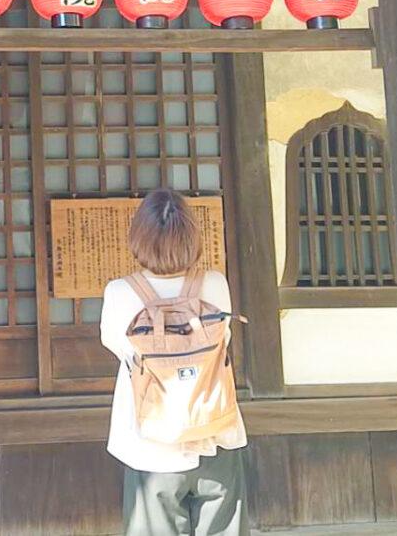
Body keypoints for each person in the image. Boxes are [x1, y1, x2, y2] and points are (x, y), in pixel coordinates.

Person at [101, 189, 248, 536]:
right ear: (191, 236)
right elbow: (225, 338)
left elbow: (117, 347)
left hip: (151, 444)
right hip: (216, 434)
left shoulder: (120, 292)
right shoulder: (215, 284)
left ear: (138, 237)